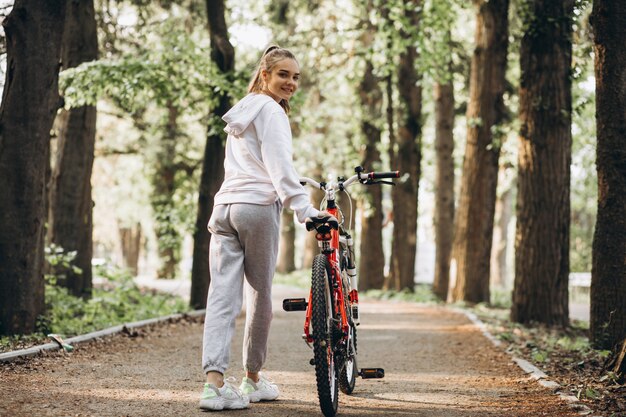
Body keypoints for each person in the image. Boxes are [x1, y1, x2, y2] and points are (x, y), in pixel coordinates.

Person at [199, 45, 334, 411]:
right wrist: (303, 209)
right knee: (259, 298)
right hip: (256, 208)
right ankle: (252, 379)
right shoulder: (271, 112)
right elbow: (279, 167)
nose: (290, 83)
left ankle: (213, 385)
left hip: (225, 207)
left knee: (222, 296)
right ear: (265, 74)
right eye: (283, 75)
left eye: (295, 77)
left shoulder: (241, 112)